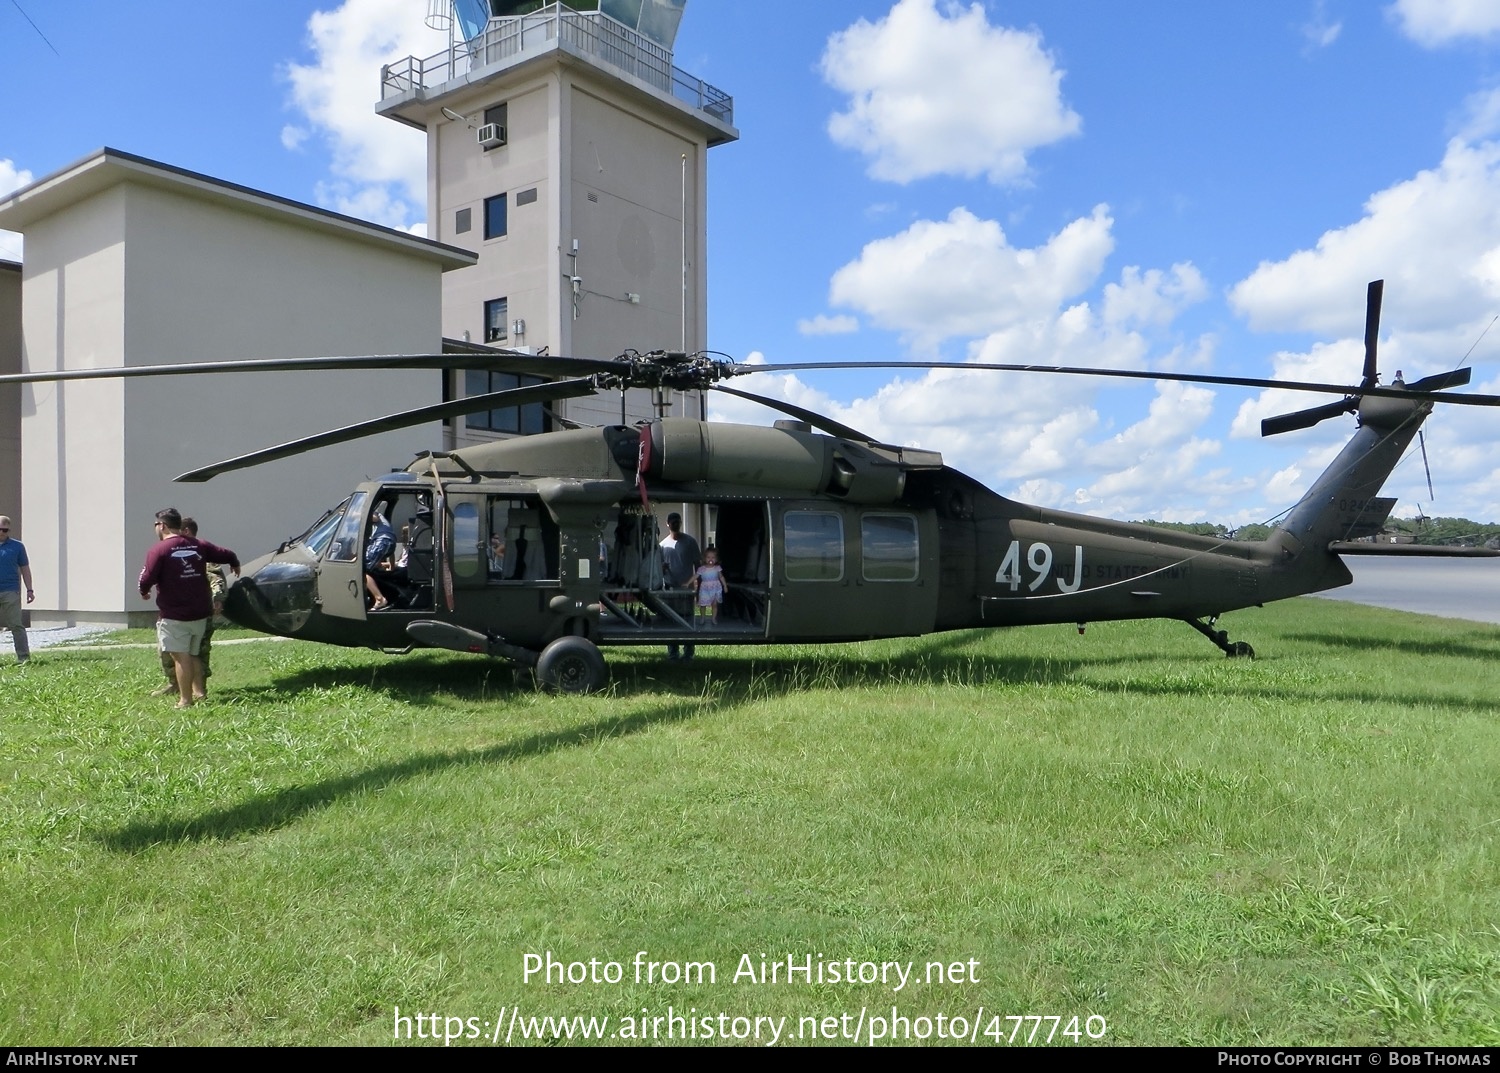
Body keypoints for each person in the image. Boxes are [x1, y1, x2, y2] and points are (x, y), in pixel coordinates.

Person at [139, 508, 239, 709]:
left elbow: (148, 577)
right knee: (193, 654)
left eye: (156, 525)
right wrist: (234, 562)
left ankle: (185, 700)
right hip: (200, 614)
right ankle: (200, 693)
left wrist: (144, 590)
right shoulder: (198, 545)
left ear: (163, 526)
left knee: (180, 656)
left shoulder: (158, 550)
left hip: (175, 615)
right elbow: (225, 553)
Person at [152, 517, 228, 696]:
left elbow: (216, 578)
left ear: (184, 531)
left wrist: (217, 598)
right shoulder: (170, 552)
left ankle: (198, 690)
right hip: (174, 612)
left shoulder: (199, 552)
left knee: (197, 653)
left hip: (198, 613)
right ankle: (176, 684)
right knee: (169, 652)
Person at [659, 511, 701, 660]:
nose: (675, 523)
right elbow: (658, 569)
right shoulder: (662, 545)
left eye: (677, 521)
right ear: (667, 524)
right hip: (669, 589)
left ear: (680, 522)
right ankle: (673, 653)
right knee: (671, 622)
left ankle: (689, 653)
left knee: (688, 621)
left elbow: (698, 566)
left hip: (687, 590)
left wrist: (698, 589)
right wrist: (661, 568)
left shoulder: (690, 542)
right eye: (672, 521)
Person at [0, 515, 33, 665]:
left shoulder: (17, 546)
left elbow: (25, 568)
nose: (1, 532)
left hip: (10, 590)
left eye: (4, 530)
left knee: (16, 625)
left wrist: (29, 589)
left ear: (8, 530)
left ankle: (23, 658)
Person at [364, 508, 396, 610]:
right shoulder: (385, 529)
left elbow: (375, 517)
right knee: (373, 567)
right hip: (389, 544)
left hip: (381, 542)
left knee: (361, 569)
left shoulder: (374, 514)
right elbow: (390, 550)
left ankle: (379, 598)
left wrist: (356, 514)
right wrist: (392, 566)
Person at [693, 546, 727, 626]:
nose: (711, 559)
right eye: (708, 557)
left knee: (714, 604)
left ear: (716, 559)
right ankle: (702, 618)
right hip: (705, 588)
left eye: (713, 557)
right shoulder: (702, 569)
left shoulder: (717, 568)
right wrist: (687, 583)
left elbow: (721, 577)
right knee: (703, 605)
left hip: (715, 588)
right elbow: (695, 576)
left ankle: (713, 618)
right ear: (704, 558)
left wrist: (725, 585)